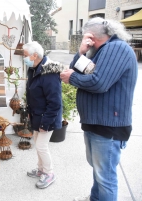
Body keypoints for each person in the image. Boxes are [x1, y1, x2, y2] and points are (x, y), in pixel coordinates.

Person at [60, 17, 138, 201]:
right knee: (99, 171)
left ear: (91, 37)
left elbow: (99, 83)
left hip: (108, 125)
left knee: (106, 178)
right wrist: (81, 53)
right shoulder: (102, 51)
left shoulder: (115, 48)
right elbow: (81, 71)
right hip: (98, 123)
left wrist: (71, 78)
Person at [23, 41, 63, 189]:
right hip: (36, 115)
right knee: (37, 143)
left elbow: (55, 103)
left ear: (35, 55)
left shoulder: (49, 72)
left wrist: (45, 123)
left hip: (47, 117)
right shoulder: (34, 69)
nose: (24, 58)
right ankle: (41, 170)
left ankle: (49, 173)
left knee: (41, 146)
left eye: (26, 55)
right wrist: (29, 113)